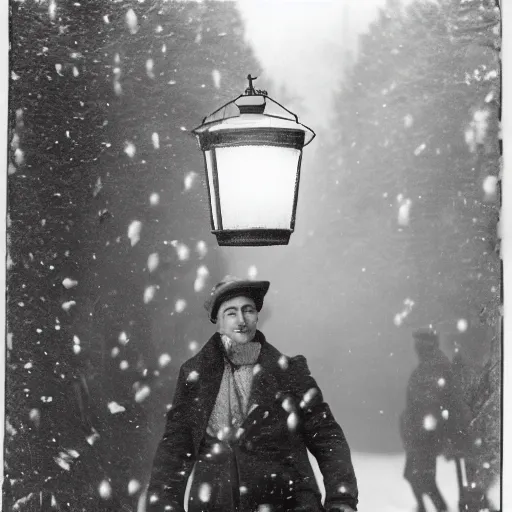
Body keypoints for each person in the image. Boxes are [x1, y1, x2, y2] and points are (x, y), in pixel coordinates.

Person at [147, 276, 358, 512]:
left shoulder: (289, 373)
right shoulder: (195, 376)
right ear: (218, 320)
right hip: (215, 505)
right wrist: (164, 505)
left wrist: (342, 500)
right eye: (231, 312)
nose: (241, 320)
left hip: (288, 504)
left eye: (248, 310)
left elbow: (328, 438)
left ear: (257, 316)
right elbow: (175, 449)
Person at [399, 327, 473, 512]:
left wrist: (451, 431)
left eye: (420, 344)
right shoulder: (423, 369)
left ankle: (439, 508)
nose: (417, 348)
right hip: (417, 435)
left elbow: (448, 402)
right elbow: (413, 405)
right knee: (414, 476)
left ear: (429, 346)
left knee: (422, 478)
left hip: (429, 435)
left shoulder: (439, 367)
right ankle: (428, 507)